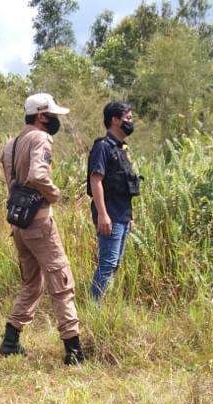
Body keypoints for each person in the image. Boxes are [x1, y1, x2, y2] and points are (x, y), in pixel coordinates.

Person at [0, 93, 84, 365]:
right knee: (61, 281)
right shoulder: (41, 139)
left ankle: (10, 341)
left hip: (19, 223)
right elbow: (37, 175)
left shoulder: (11, 144)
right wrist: (54, 192)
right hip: (39, 222)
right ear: (41, 115)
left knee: (32, 284)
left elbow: (13, 180)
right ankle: (73, 350)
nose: (56, 120)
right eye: (53, 115)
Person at [87, 101, 140, 302]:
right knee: (108, 262)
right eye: (127, 118)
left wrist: (129, 218)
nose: (130, 122)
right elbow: (96, 179)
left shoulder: (121, 148)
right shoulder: (102, 147)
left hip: (123, 215)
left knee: (115, 263)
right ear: (114, 120)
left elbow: (124, 186)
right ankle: (94, 307)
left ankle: (100, 304)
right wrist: (102, 214)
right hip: (109, 215)